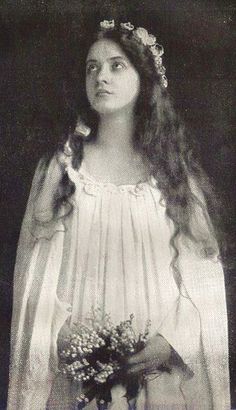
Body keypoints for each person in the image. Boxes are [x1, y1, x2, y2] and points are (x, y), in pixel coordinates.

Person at [7, 19, 230, 409]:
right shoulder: (62, 168)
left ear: (143, 79)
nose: (101, 77)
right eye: (91, 67)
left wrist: (170, 342)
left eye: (116, 65)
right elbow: (34, 275)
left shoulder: (173, 174)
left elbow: (202, 279)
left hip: (156, 376)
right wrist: (59, 335)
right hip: (77, 373)